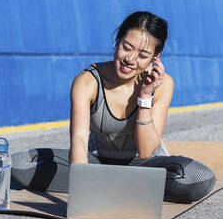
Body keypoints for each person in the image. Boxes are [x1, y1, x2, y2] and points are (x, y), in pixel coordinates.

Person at [11, 11, 215, 203]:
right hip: (99, 163)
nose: (130, 59)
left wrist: (145, 96)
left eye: (143, 55)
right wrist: (82, 194)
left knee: (198, 179)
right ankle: (127, 189)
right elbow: (80, 141)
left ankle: (113, 187)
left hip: (146, 167)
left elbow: (145, 152)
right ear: (117, 39)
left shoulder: (163, 84)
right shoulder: (88, 81)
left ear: (156, 57)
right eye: (127, 47)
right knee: (21, 163)